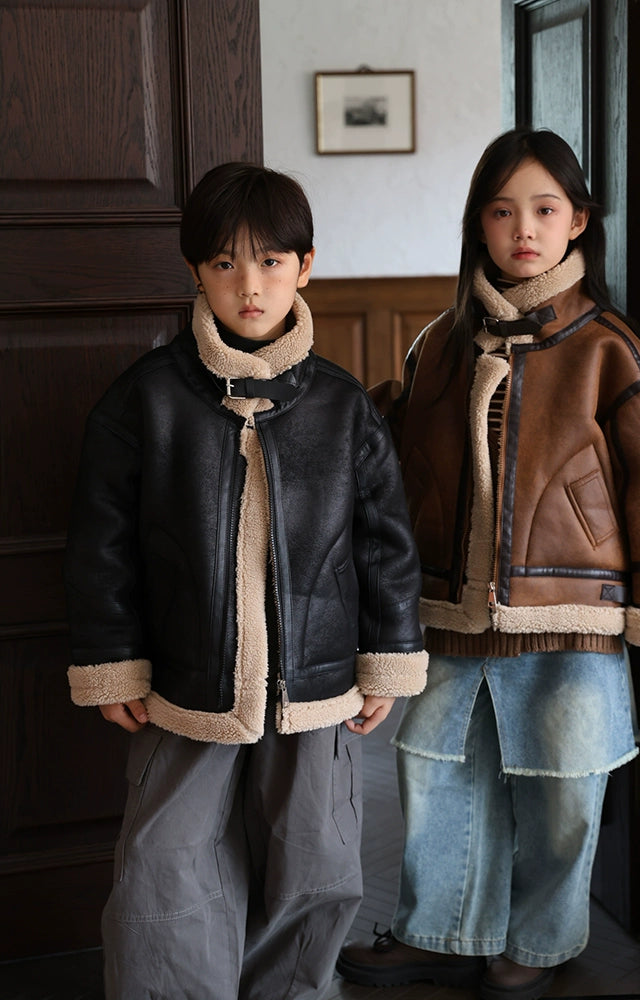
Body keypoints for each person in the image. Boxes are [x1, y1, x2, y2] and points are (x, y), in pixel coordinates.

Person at [336, 128, 640, 1000]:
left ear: (577, 222)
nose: (522, 229)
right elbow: (404, 472)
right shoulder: (441, 345)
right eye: (501, 211)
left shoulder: (612, 347)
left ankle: (538, 943)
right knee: (439, 779)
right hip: (451, 616)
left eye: (543, 209)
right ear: (479, 226)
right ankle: (442, 933)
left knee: (566, 791)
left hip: (571, 619)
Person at [63, 162, 428, 1000]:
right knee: (168, 866)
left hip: (317, 686)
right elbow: (102, 546)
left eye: (269, 261)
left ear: (305, 266)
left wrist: (387, 661)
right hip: (185, 687)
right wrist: (113, 660)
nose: (248, 284)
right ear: (195, 270)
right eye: (225, 263)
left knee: (317, 859)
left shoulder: (342, 408)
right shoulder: (144, 401)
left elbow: (386, 548)